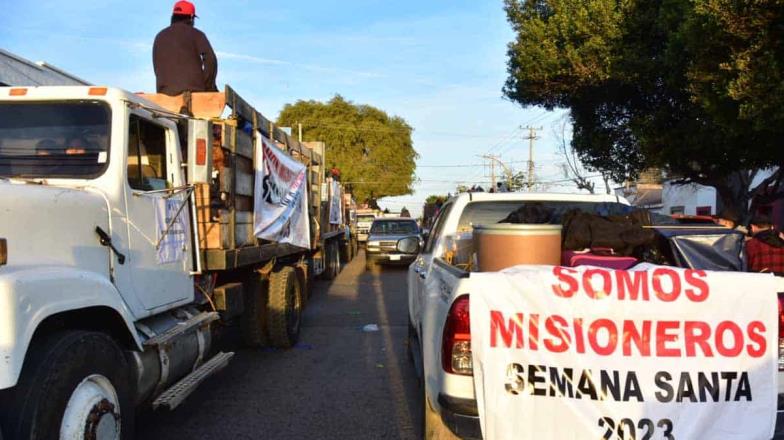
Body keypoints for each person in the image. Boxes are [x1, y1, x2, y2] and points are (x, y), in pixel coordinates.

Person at [152, 1, 218, 97]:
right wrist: (208, 87)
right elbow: (211, 61)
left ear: (173, 17)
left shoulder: (159, 36)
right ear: (191, 18)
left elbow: (156, 67)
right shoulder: (197, 34)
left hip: (165, 94)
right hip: (194, 92)